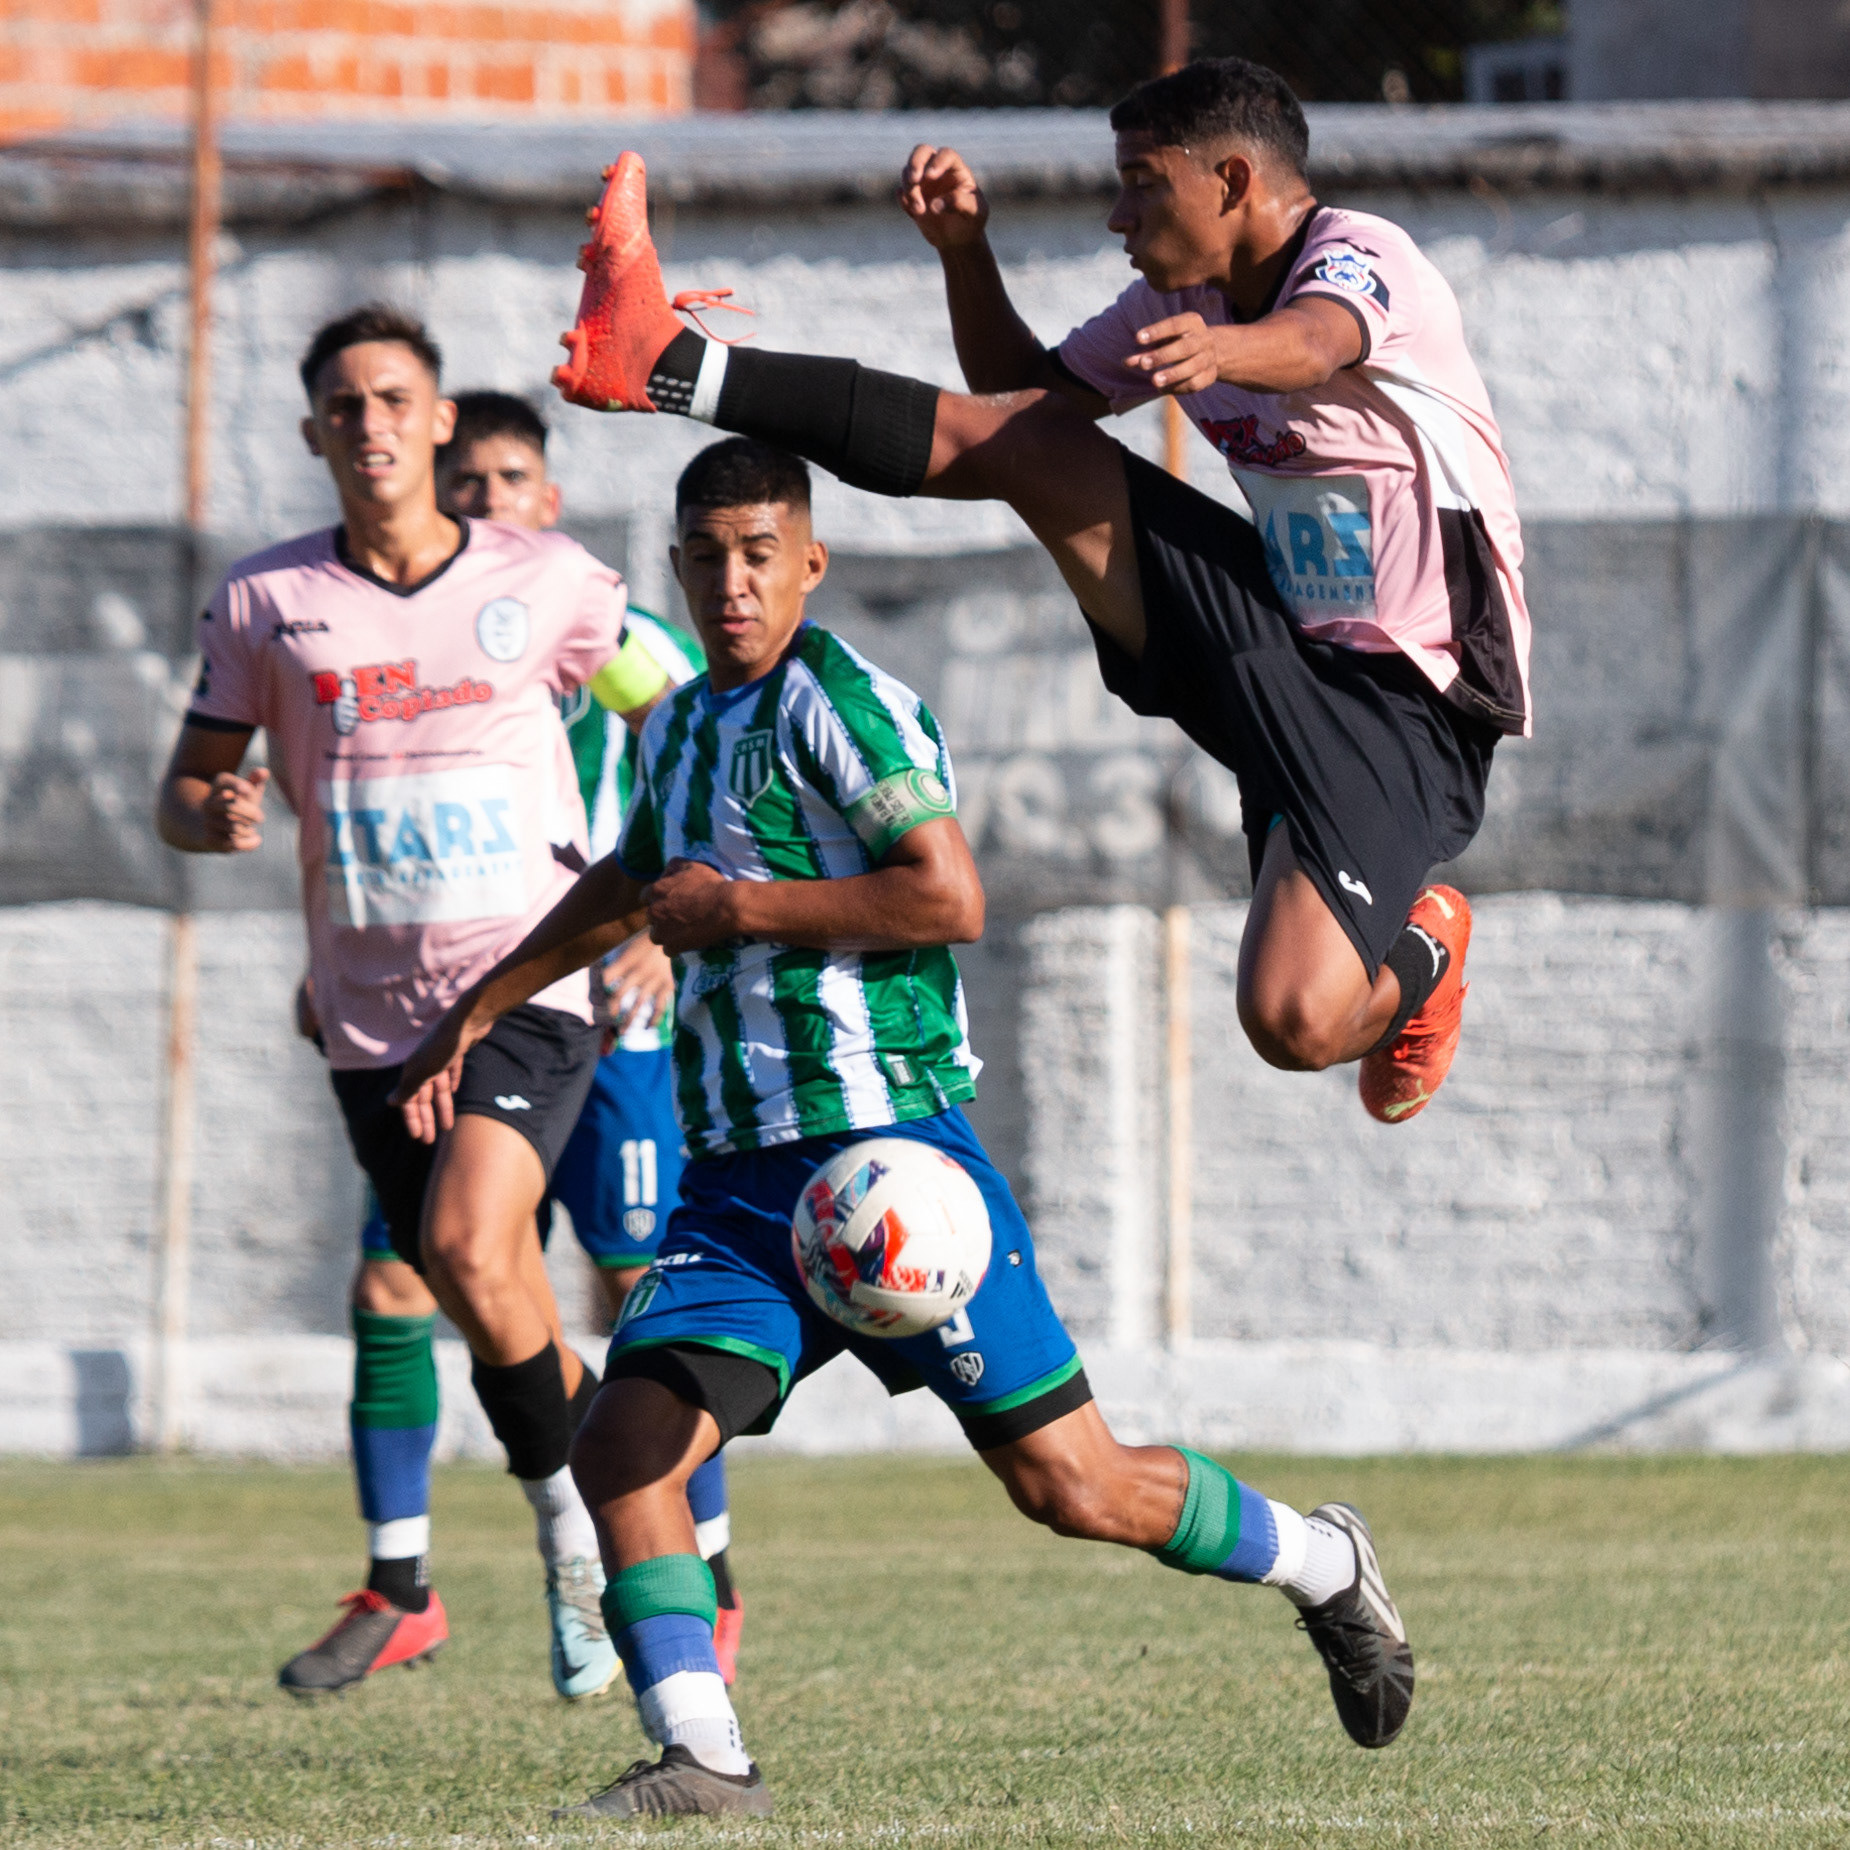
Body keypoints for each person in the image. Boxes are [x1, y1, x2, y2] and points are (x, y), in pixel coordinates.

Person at [389, 438, 1416, 1822]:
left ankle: (1318, 1558)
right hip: (743, 1192)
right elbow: (641, 880)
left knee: (1073, 1483)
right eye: (707, 557)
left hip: (896, 1168)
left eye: (760, 554)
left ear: (809, 560)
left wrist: (736, 910)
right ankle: (706, 1759)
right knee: (621, 1446)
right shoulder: (680, 723)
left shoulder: (848, 705)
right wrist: (478, 1004)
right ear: (680, 569)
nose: (733, 582)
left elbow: (947, 897)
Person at [549, 55, 1532, 1126]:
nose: (1118, 215)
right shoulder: (1179, 299)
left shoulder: (1358, 255)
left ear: (1234, 181)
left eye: (1141, 183)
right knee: (1033, 446)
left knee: (1291, 1022)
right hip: (1272, 634)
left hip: (1403, 700)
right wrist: (966, 256)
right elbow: (1019, 409)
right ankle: (669, 365)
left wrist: (1227, 350)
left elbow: (1316, 341)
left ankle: (1423, 951)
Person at [155, 304, 680, 1700]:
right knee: (469, 1276)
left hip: (528, 982)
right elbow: (187, 786)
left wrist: (680, 891)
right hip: (366, 1012)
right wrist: (213, 811)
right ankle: (569, 1509)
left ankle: (610, 1544)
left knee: (461, 1235)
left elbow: (675, 704)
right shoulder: (267, 604)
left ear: (440, 420)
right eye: (344, 404)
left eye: (395, 397)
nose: (371, 421)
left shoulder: (549, 581)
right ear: (316, 431)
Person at [301, 388, 745, 1685]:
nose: (489, 501)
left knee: (634, 1293)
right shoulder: (420, 644)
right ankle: (404, 1585)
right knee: (414, 1274)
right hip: (459, 1012)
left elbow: (693, 742)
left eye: (510, 481)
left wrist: (660, 927)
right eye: (471, 481)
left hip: (608, 1009)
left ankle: (698, 1578)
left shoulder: (591, 631)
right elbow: (373, 822)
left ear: (546, 501)